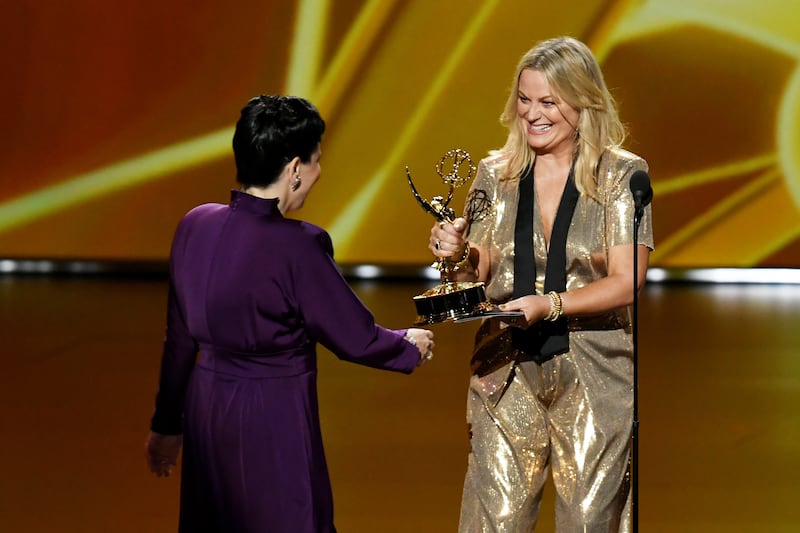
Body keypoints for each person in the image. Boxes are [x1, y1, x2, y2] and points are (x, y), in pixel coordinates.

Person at [144, 94, 434, 533]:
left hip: (208, 412)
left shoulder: (194, 225)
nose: (319, 172)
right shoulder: (299, 244)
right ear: (295, 168)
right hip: (273, 415)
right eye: (317, 161)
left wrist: (166, 426)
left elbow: (180, 340)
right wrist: (408, 345)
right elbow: (355, 336)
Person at [429, 36, 653, 532]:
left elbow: (627, 280)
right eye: (525, 99)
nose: (532, 114)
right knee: (496, 519)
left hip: (594, 369)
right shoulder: (496, 174)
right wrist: (457, 253)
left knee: (589, 521)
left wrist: (549, 305)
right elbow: (477, 275)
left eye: (548, 102)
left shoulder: (620, 175)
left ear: (583, 102)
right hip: (504, 369)